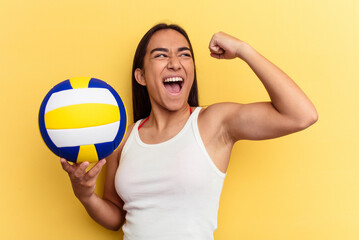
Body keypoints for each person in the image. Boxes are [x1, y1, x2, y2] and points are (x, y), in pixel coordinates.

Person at [60, 23, 318, 239]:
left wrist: (243, 50)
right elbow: (116, 216)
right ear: (141, 76)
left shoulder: (214, 123)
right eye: (161, 55)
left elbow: (301, 115)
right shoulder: (124, 138)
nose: (174, 63)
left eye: (184, 54)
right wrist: (85, 195)